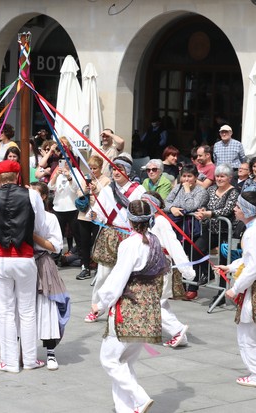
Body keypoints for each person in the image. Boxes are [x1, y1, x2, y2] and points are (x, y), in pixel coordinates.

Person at [91, 200, 167, 413]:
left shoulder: (130, 244)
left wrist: (101, 302)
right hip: (148, 305)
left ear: (130, 220)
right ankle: (127, 407)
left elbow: (118, 278)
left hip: (129, 305)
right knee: (125, 362)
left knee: (109, 359)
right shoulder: (154, 241)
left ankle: (139, 397)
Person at [0, 159, 47, 372]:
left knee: (5, 311)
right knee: (27, 310)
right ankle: (28, 360)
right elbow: (40, 226)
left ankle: (9, 362)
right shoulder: (33, 195)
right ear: (18, 176)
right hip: (25, 255)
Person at [86, 154, 145, 323]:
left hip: (130, 237)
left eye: (120, 169)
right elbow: (97, 212)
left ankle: (124, 310)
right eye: (114, 168)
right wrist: (93, 214)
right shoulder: (106, 190)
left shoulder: (139, 191)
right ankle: (96, 308)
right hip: (110, 234)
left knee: (128, 276)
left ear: (127, 171)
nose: (116, 172)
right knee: (104, 274)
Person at [141, 191, 195, 348]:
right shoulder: (149, 222)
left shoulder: (161, 222)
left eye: (146, 202)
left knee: (152, 301)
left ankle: (177, 329)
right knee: (160, 301)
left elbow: (173, 245)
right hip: (151, 265)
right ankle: (181, 336)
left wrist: (186, 268)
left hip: (159, 266)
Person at [29, 182, 70, 371]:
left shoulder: (50, 218)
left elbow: (56, 246)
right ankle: (23, 349)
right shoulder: (22, 214)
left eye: (35, 194)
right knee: (23, 307)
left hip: (43, 262)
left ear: (44, 197)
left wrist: (33, 236)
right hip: (24, 262)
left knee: (48, 305)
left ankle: (50, 353)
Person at [218, 191, 256, 388]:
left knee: (246, 331)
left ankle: (255, 373)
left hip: (252, 288)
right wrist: (231, 267)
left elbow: (253, 266)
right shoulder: (251, 229)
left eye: (239, 207)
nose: (235, 208)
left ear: (248, 211)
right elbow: (249, 260)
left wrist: (236, 288)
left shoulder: (252, 232)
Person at [185, 164, 239, 301]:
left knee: (222, 261)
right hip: (210, 229)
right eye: (217, 176)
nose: (219, 179)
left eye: (223, 176)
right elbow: (204, 204)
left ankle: (220, 295)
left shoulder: (233, 192)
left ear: (230, 178)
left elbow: (227, 210)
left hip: (226, 232)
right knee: (196, 249)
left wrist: (211, 213)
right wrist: (202, 212)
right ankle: (207, 272)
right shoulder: (211, 189)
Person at [76, 156, 110, 280]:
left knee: (97, 242)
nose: (92, 170)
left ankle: (97, 267)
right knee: (83, 242)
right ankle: (85, 267)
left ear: (101, 168)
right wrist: (86, 188)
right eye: (90, 168)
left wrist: (96, 190)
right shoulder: (86, 178)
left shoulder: (105, 180)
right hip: (84, 214)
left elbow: (106, 195)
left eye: (95, 168)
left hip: (98, 215)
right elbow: (78, 193)